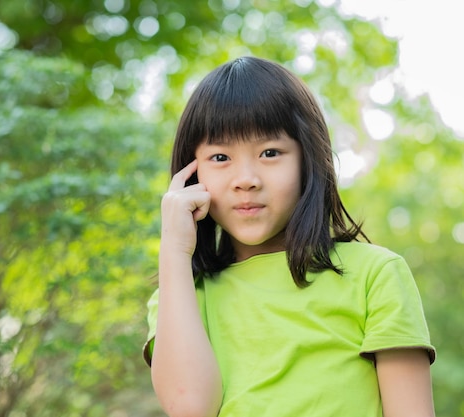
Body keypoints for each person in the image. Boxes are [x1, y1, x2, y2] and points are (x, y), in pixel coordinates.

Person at [143, 56, 435, 417]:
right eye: (220, 157)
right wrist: (173, 250)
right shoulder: (182, 295)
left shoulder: (374, 274)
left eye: (270, 152)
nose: (245, 178)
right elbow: (190, 407)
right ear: (191, 175)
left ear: (307, 160)